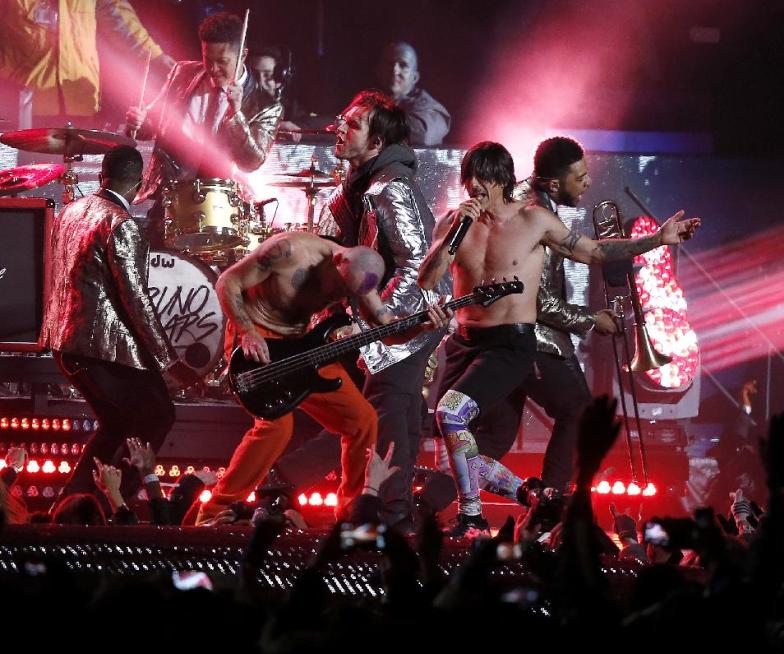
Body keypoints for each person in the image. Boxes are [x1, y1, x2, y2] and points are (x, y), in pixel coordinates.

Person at [419, 141, 700, 535]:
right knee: (458, 455)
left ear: (500, 180)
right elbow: (428, 279)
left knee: (454, 414)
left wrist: (656, 240)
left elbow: (594, 253)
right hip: (466, 342)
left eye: (481, 180)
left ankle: (472, 517)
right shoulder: (454, 223)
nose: (474, 189)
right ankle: (533, 498)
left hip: (509, 343)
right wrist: (451, 237)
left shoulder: (533, 221)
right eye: (468, 180)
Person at [194, 233, 448, 523]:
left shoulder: (358, 279)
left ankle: (351, 512)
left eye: (346, 291)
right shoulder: (288, 251)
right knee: (276, 427)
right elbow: (228, 282)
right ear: (337, 260)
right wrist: (247, 330)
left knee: (363, 421)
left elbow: (387, 331)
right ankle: (214, 511)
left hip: (302, 346)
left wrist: (420, 328)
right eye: (339, 286)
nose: (340, 294)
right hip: (256, 337)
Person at [313, 89, 450, 532]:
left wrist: (380, 326)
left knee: (384, 420)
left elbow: (416, 264)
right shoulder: (359, 187)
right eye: (342, 119)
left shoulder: (391, 187)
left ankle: (382, 522)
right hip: (389, 326)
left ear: (375, 144)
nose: (340, 127)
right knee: (399, 419)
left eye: (353, 124)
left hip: (403, 325)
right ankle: (393, 518)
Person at [41, 145, 195, 504]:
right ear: (139, 185)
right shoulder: (122, 225)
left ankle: (74, 507)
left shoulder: (71, 211)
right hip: (103, 349)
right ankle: (116, 503)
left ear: (100, 175)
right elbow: (136, 299)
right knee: (157, 415)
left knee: (117, 425)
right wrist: (167, 359)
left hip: (66, 345)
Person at [471, 136, 618, 492]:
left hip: (497, 340)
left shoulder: (521, 200)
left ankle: (426, 504)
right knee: (579, 409)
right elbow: (539, 301)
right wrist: (591, 320)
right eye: (580, 176)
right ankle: (551, 507)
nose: (588, 183)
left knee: (496, 436)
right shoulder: (537, 216)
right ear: (554, 183)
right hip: (531, 340)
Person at [124, 11, 282, 245]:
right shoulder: (183, 73)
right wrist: (138, 122)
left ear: (243, 56)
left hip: (220, 207)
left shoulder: (266, 104)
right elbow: (153, 125)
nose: (214, 68)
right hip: (170, 197)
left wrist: (236, 115)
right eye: (208, 59)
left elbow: (251, 162)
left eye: (223, 62)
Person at [0, 0, 174, 127]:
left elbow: (120, 20)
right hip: (21, 108)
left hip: (80, 103)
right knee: (28, 173)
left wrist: (157, 57)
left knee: (76, 173)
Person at [379, 41, 450, 146]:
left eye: (403, 65)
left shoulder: (432, 109)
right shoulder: (368, 102)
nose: (395, 70)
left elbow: (423, 135)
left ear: (415, 77)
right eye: (390, 63)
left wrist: (372, 125)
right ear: (380, 71)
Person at [248, 45, 304, 142]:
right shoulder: (236, 104)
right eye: (254, 75)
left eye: (268, 75)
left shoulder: (291, 109)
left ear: (281, 77)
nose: (260, 82)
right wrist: (275, 126)